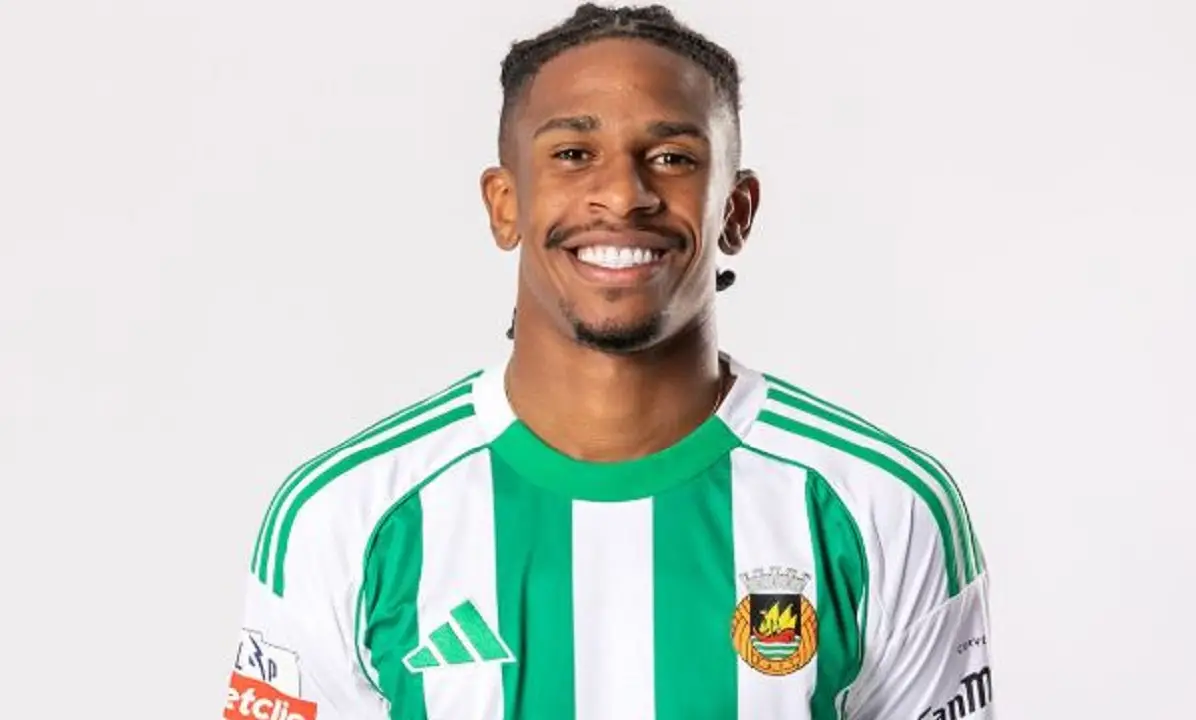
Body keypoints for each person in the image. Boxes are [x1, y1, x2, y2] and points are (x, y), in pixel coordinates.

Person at [220, 4, 994, 719]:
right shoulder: (345, 516)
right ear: (504, 204)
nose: (623, 195)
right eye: (572, 153)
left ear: (736, 210)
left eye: (672, 157)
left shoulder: (880, 506)